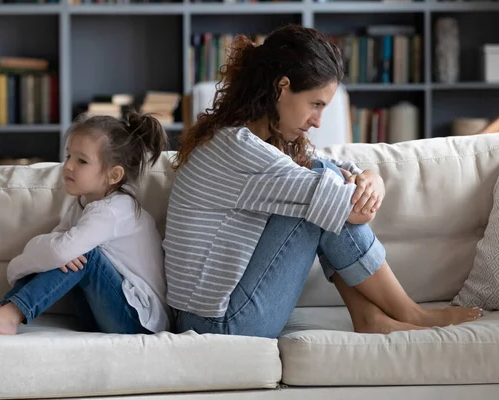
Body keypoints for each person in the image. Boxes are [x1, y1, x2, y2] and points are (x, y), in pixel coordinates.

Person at [163, 24, 483, 339]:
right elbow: (353, 209)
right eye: (315, 104)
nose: (318, 121)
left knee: (324, 188)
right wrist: (359, 190)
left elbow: (330, 167)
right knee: (323, 196)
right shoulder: (240, 149)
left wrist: (371, 178)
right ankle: (410, 313)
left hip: (210, 315)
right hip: (217, 324)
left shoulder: (252, 140)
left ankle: (370, 316)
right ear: (282, 87)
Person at [0, 110, 171, 335]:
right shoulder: (82, 205)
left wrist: (23, 263)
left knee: (83, 256)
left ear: (113, 175)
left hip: (138, 321)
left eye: (82, 161)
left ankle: (10, 315)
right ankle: (5, 308)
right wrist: (46, 253)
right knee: (66, 253)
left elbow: (56, 251)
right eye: (68, 157)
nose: (68, 166)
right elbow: (52, 250)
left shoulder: (116, 210)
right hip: (101, 315)